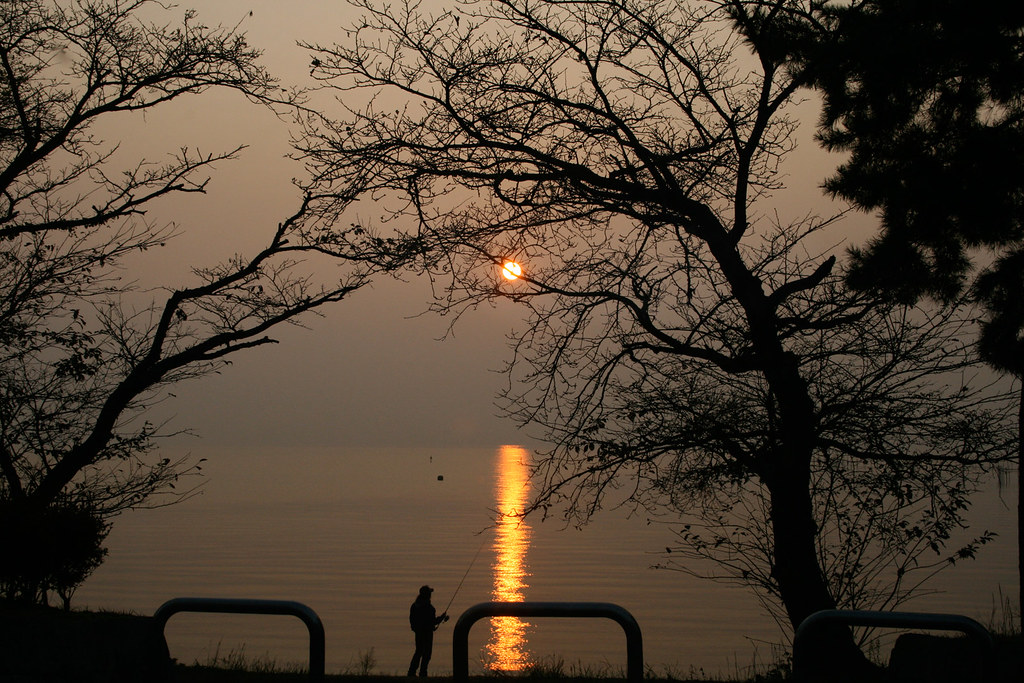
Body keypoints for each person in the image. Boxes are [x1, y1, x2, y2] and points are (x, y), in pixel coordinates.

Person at [407, 585, 449, 677]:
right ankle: (423, 672)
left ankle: (411, 672)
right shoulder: (429, 608)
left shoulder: (414, 606)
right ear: (428, 595)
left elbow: (412, 619)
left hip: (418, 632)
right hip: (427, 633)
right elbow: (432, 621)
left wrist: (415, 628)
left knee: (418, 652)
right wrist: (441, 618)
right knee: (427, 654)